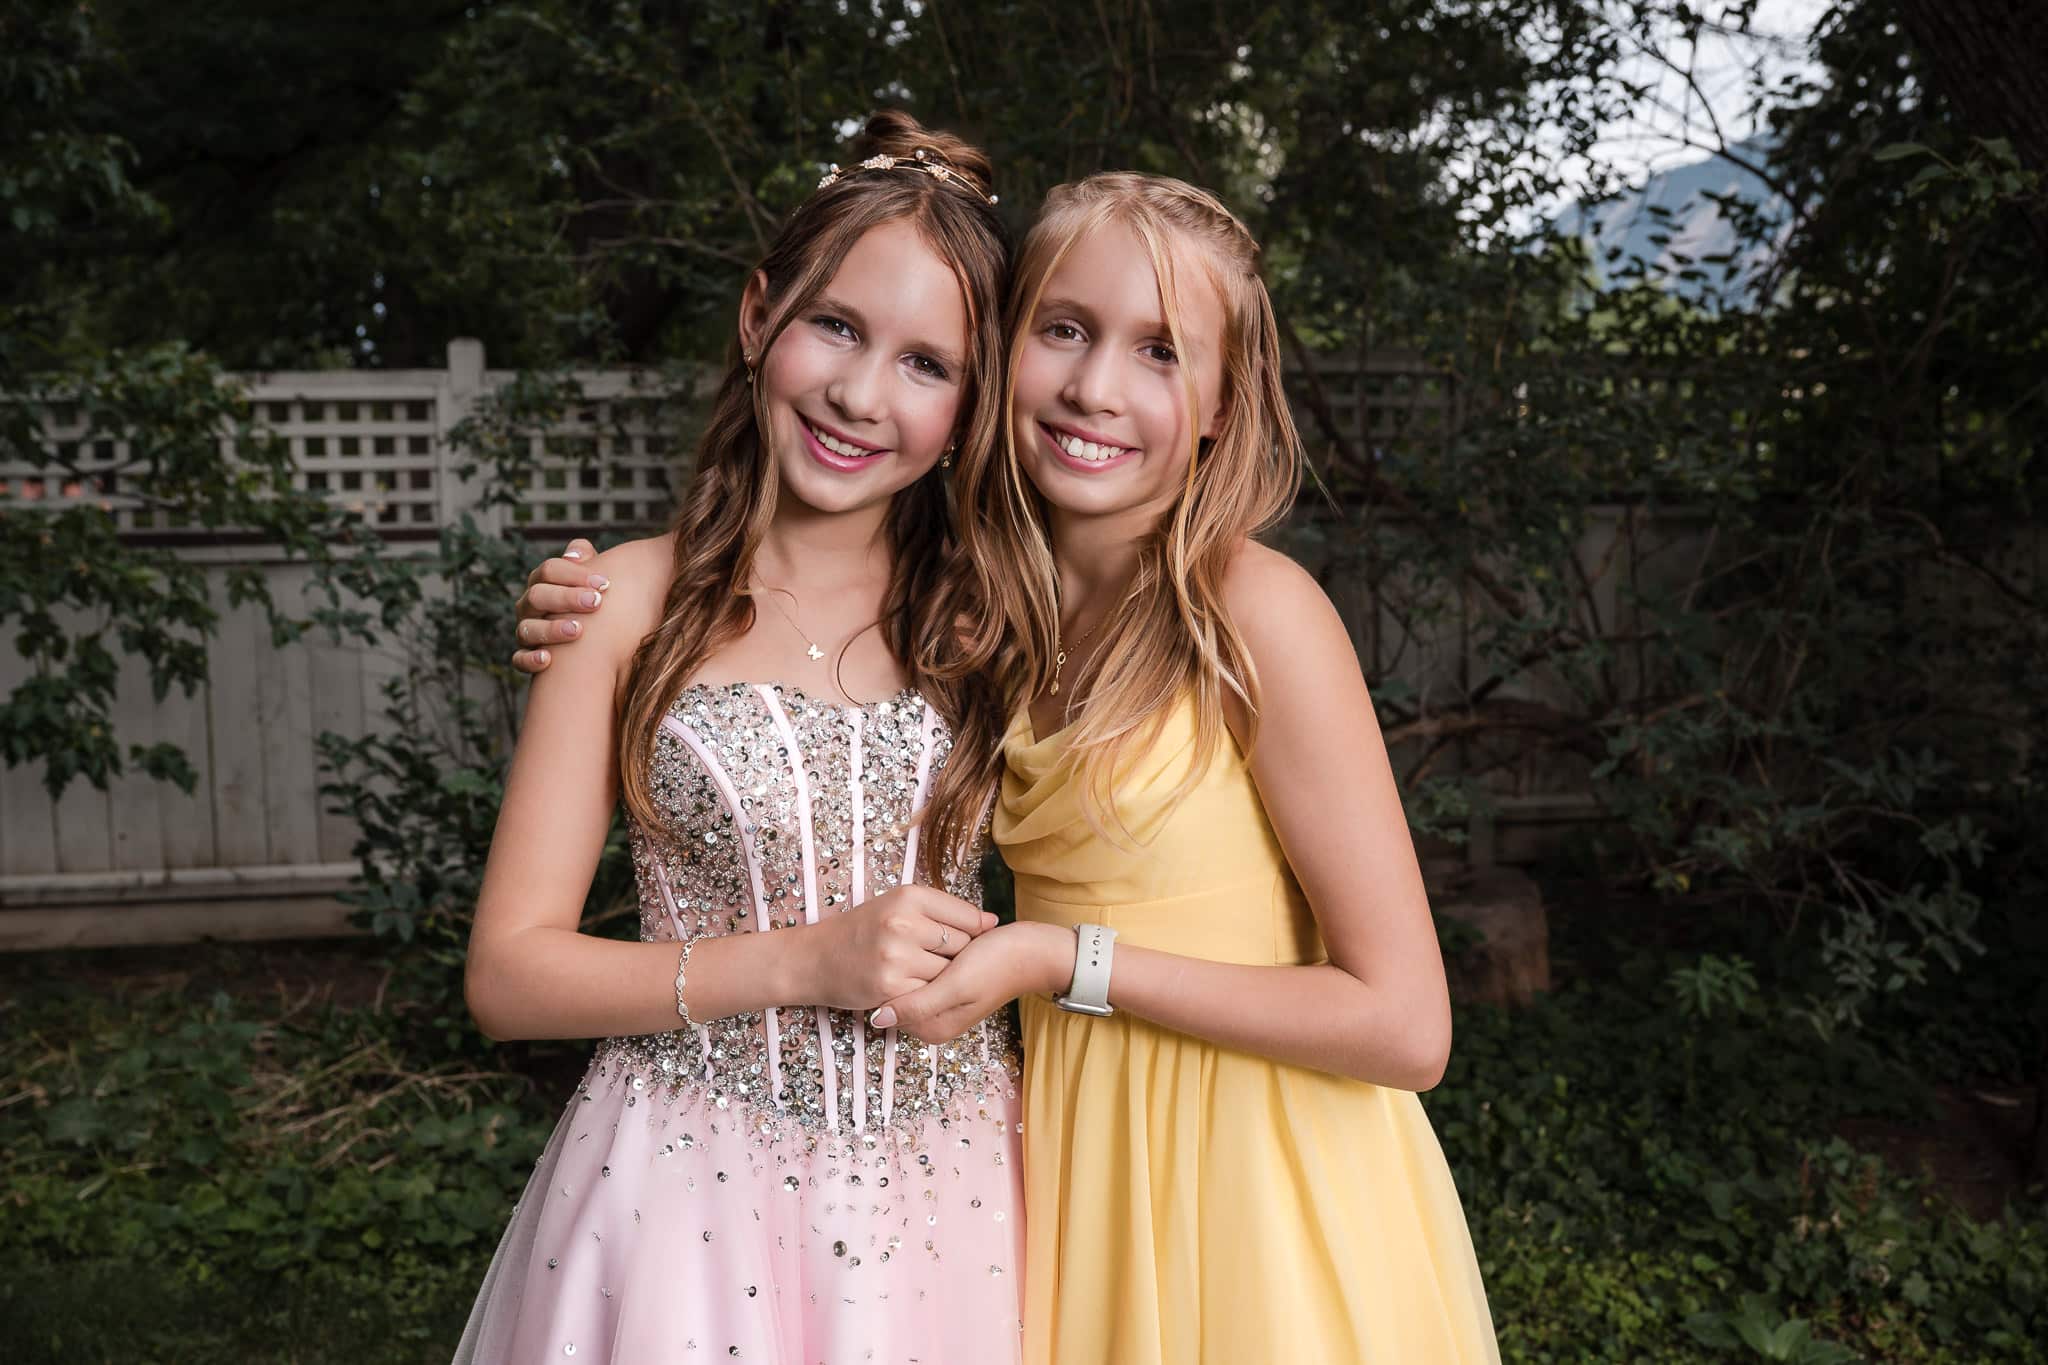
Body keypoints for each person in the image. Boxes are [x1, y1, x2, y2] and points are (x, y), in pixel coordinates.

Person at [514, 173, 1500, 1363]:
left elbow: (1408, 1027)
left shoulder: (1253, 613)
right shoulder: (987, 615)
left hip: (1254, 1177)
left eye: (1160, 352)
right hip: (1062, 1169)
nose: (1094, 388)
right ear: (1003, 365)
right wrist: (596, 599)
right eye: (1064, 330)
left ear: (1222, 406)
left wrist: (1053, 957)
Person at [454, 112, 1027, 1365]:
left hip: (961, 1196)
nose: (859, 395)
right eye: (836, 326)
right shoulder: (617, 608)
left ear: (971, 405)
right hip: (688, 1194)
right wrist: (799, 963)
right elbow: (506, 976)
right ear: (759, 314)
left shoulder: (996, 624)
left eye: (926, 364)